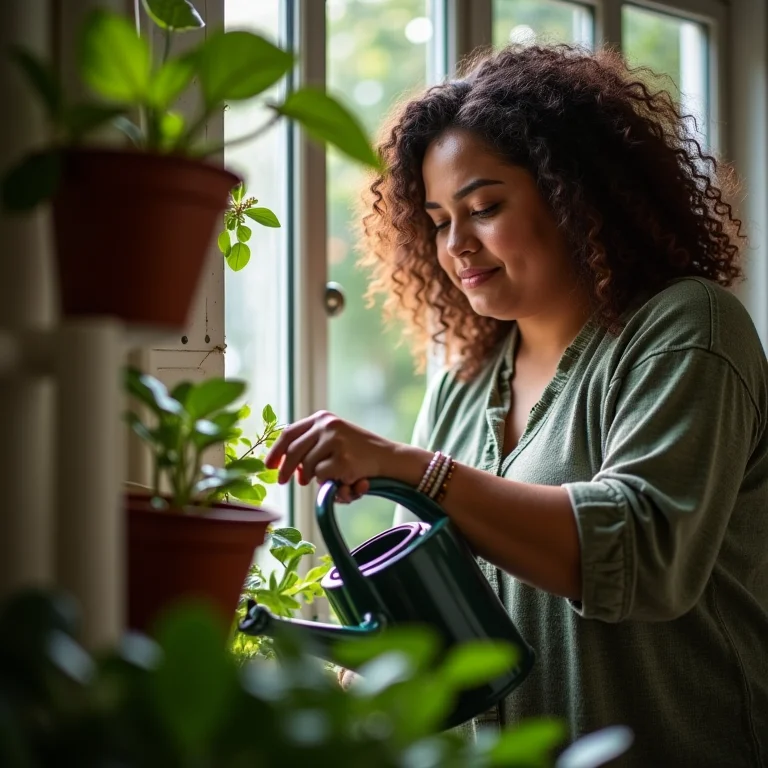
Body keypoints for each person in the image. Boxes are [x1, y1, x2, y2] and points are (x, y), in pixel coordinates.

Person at [265, 43, 768, 766]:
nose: (457, 245)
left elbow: (646, 557)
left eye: (484, 208)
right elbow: (435, 616)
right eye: (438, 220)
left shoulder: (689, 327)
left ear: (575, 194)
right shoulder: (463, 382)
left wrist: (413, 468)